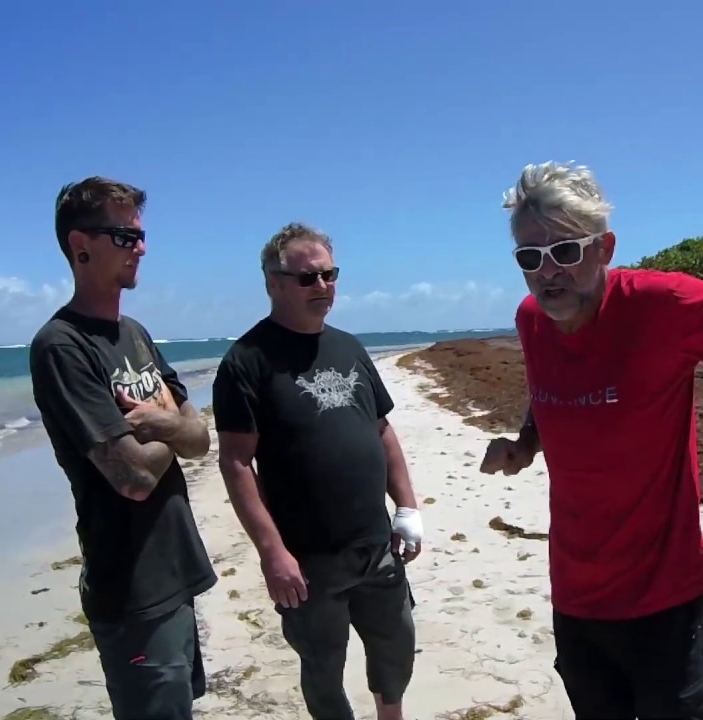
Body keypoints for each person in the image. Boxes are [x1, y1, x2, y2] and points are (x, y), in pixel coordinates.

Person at [479, 162, 703, 720]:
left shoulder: (661, 305)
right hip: (575, 595)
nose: (547, 271)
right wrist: (526, 443)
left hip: (664, 597)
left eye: (564, 251)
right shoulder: (533, 317)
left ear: (604, 247)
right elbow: (548, 387)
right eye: (530, 258)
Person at [211, 222, 423, 720]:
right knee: (323, 668)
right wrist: (272, 553)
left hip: (376, 546)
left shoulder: (349, 347)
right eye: (308, 278)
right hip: (307, 562)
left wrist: (408, 507)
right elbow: (236, 462)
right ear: (273, 283)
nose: (323, 287)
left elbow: (382, 431)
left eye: (329, 275)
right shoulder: (246, 362)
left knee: (395, 649)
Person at [28, 177, 218, 720]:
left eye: (140, 235)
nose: (142, 248)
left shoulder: (133, 332)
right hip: (129, 585)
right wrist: (172, 426)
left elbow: (201, 436)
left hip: (174, 568)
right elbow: (131, 478)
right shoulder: (61, 346)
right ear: (81, 246)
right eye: (126, 236)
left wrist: (157, 425)